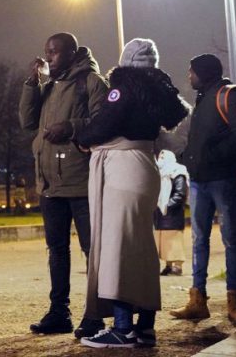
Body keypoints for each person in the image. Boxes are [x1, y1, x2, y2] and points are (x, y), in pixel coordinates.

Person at [75, 38, 189, 349]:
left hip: (123, 167)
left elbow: (103, 125)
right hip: (145, 165)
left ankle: (123, 329)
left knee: (119, 248)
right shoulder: (156, 91)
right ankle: (145, 328)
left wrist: (80, 136)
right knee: (141, 249)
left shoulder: (123, 88)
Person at [18, 32, 108, 337]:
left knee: (91, 250)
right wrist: (32, 84)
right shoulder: (50, 85)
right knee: (56, 250)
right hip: (50, 185)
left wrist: (71, 127)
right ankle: (59, 313)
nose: (48, 57)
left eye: (54, 52)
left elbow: (104, 122)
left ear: (71, 53)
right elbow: (27, 122)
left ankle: (95, 315)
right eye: (46, 52)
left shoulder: (91, 81)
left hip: (80, 182)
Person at [171, 53, 236, 323]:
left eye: (191, 71)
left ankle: (234, 302)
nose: (188, 76)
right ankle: (197, 299)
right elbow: (203, 141)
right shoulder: (204, 97)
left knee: (231, 240)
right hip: (199, 180)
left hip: (223, 180)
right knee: (199, 240)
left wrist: (209, 157)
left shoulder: (228, 95)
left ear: (203, 72)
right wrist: (187, 156)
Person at [154, 150, 188, 277]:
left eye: (163, 156)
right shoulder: (159, 173)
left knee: (174, 241)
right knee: (163, 241)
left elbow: (180, 194)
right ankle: (168, 265)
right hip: (160, 214)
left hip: (172, 214)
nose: (161, 158)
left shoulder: (178, 172)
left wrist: (167, 206)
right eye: (160, 156)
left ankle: (177, 266)